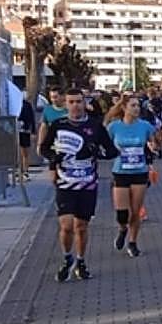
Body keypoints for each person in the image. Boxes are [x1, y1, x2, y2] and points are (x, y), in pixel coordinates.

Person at [40, 89, 119, 282]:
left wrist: (97, 152)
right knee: (66, 226)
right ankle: (67, 258)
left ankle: (81, 261)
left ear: (85, 104)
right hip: (65, 183)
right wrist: (53, 157)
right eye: (71, 102)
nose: (75, 105)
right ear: (65, 104)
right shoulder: (59, 125)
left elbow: (111, 151)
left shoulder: (94, 126)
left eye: (78, 101)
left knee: (81, 226)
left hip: (87, 183)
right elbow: (43, 148)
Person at [106, 93, 158, 258]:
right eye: (133, 106)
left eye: (138, 106)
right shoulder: (114, 127)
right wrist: (114, 151)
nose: (136, 109)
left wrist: (153, 145)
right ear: (124, 108)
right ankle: (122, 229)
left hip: (139, 171)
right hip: (121, 171)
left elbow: (155, 142)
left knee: (135, 212)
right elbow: (106, 147)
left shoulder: (145, 126)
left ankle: (133, 242)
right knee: (122, 213)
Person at [36, 87, 67, 157]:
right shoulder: (47, 110)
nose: (53, 100)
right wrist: (39, 144)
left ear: (62, 96)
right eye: (51, 97)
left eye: (55, 97)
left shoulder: (69, 109)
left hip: (67, 144)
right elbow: (43, 128)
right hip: (53, 145)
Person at [17, 96, 36, 181]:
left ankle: (25, 171)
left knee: (25, 152)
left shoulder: (26, 104)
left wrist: (33, 131)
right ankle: (20, 170)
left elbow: (32, 118)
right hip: (17, 130)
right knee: (18, 152)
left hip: (25, 130)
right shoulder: (15, 104)